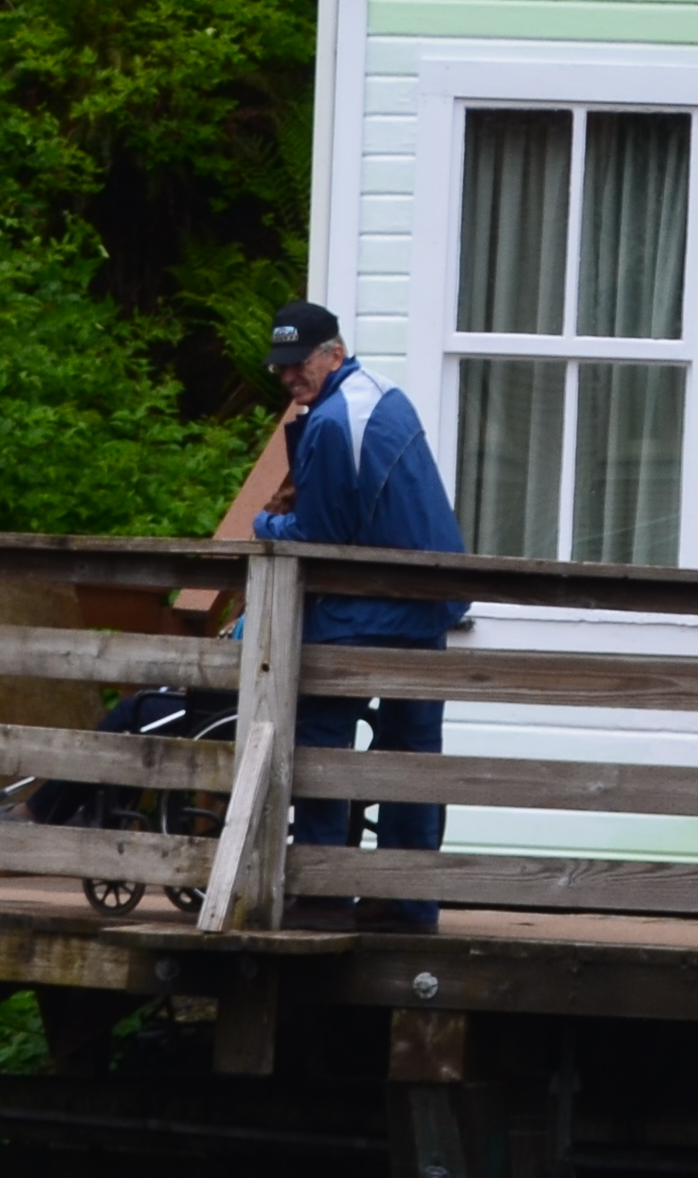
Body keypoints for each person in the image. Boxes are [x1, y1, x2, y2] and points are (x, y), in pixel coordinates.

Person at [251, 301, 470, 933]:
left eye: (299, 365)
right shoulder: (385, 396)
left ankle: (324, 895)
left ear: (334, 354)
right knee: (413, 752)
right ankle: (408, 902)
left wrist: (265, 524)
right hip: (429, 603)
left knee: (318, 739)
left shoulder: (329, 423)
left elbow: (320, 534)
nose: (290, 378)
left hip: (368, 610)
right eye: (282, 368)